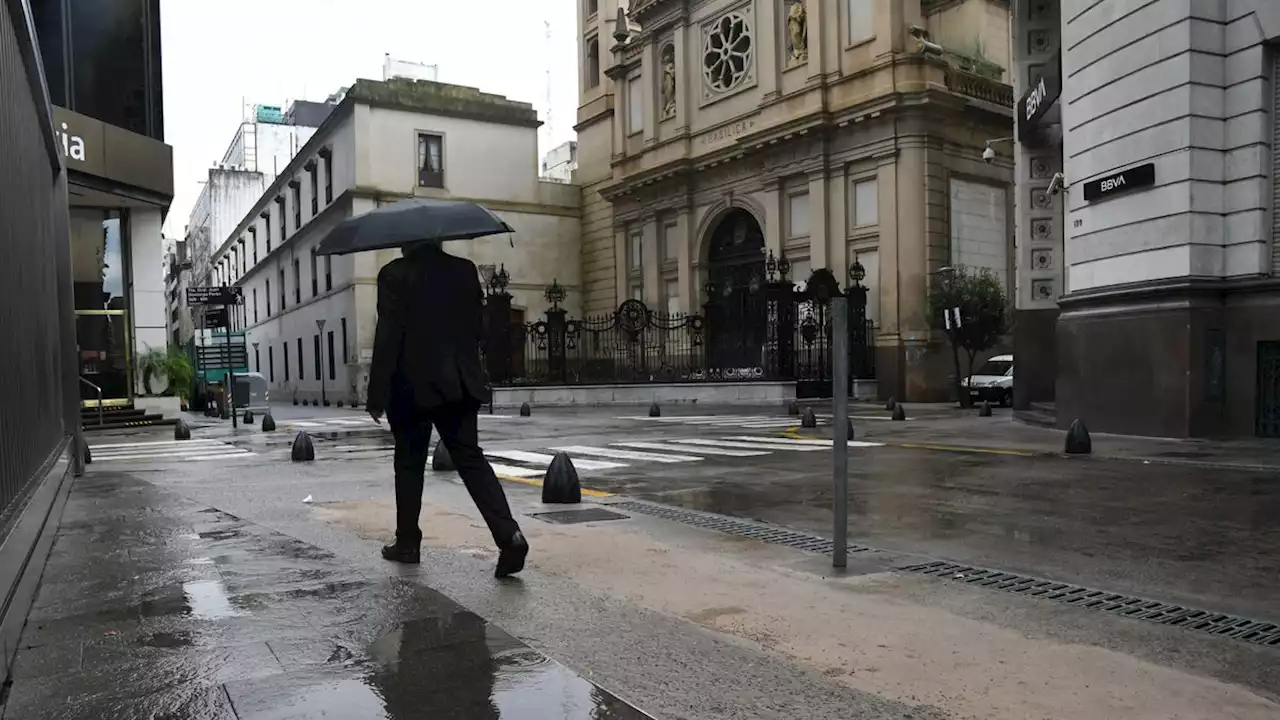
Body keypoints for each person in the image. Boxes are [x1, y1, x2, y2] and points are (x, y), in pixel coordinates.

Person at [365, 239, 528, 578]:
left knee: (409, 464)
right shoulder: (464, 271)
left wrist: (377, 393)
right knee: (470, 459)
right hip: (458, 381)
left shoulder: (393, 274)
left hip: (410, 386)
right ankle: (509, 534)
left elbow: (388, 336)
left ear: (404, 242)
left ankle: (408, 543)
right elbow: (479, 329)